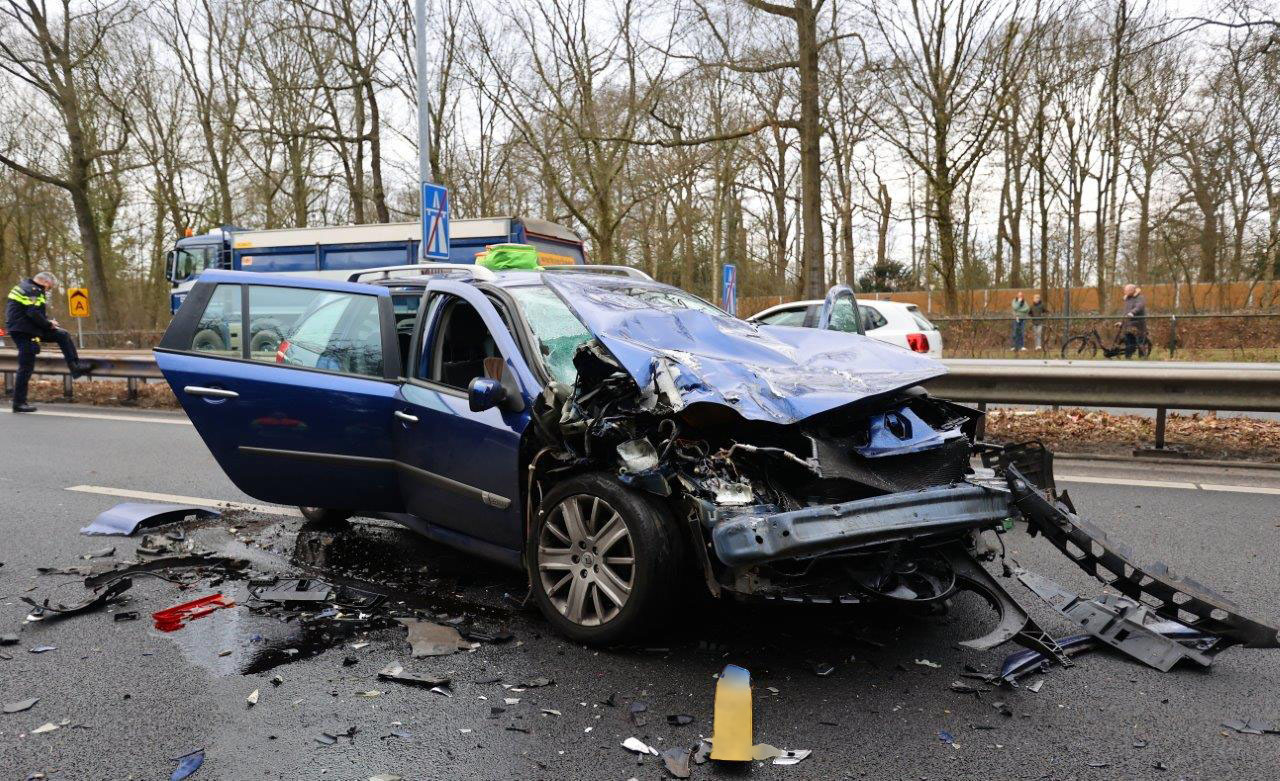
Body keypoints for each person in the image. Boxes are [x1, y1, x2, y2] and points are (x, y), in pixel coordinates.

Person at [5, 272, 96, 412]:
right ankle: (18, 403)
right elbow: (33, 313)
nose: (49, 290)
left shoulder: (26, 287)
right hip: (25, 331)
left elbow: (33, 312)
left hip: (27, 328)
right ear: (46, 282)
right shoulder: (34, 290)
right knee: (26, 367)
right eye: (50, 287)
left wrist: (49, 322)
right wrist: (49, 325)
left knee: (62, 335)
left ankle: (75, 367)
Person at [1121, 283, 1147, 359]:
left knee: (1140, 341)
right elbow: (1125, 312)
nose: (1125, 292)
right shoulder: (1127, 299)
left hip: (1138, 324)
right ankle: (1128, 357)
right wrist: (1121, 322)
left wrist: (1132, 312)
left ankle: (1142, 357)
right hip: (1128, 324)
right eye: (1125, 290)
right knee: (1128, 341)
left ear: (1132, 290)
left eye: (1126, 290)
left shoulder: (1140, 298)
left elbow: (1139, 307)